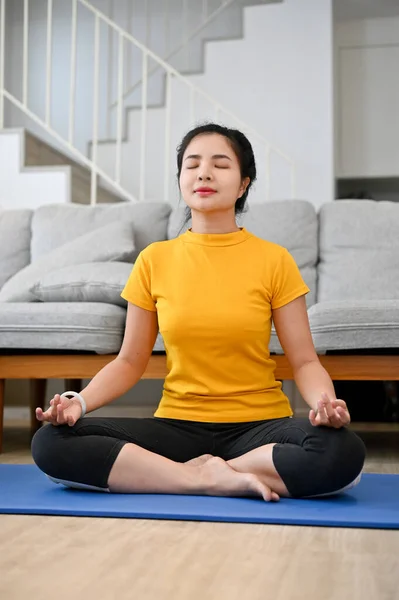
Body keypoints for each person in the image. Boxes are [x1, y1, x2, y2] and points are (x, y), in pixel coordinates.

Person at [32, 123, 366, 501]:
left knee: (341, 452)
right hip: (177, 427)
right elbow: (129, 362)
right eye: (192, 165)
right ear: (181, 180)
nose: (204, 173)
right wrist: (81, 402)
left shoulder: (275, 260)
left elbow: (305, 361)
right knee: (51, 442)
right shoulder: (154, 260)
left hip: (259, 427)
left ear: (243, 184)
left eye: (220, 164)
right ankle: (203, 479)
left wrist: (325, 404)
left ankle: (189, 474)